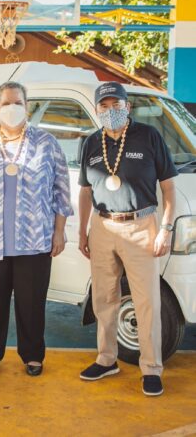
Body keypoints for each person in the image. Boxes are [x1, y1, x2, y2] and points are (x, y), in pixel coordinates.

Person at [0, 81, 73, 376]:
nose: (12, 108)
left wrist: (59, 231)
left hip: (34, 241)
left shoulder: (46, 143)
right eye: (6, 103)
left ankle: (32, 355)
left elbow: (62, 190)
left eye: (17, 102)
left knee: (31, 303)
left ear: (27, 106)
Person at [78, 81, 177, 397]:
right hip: (103, 226)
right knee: (103, 298)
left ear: (127, 107)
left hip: (140, 225)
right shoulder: (92, 143)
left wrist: (165, 228)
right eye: (104, 106)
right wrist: (83, 230)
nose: (111, 111)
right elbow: (85, 191)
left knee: (146, 299)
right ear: (97, 110)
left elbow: (169, 189)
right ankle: (107, 360)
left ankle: (151, 368)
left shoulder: (149, 136)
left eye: (116, 105)